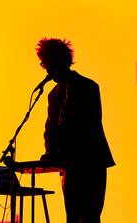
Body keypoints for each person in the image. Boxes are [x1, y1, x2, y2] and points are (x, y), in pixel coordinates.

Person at [36, 38, 115, 223]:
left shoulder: (88, 87)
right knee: (72, 217)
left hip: (91, 163)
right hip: (69, 167)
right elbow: (50, 130)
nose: (46, 70)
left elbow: (89, 126)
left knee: (90, 216)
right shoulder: (53, 94)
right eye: (44, 65)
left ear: (60, 62)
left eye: (48, 64)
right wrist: (50, 152)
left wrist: (62, 152)